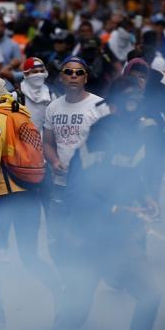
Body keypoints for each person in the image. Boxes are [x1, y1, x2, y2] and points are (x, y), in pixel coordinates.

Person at [26, 77, 165, 330]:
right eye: (129, 101)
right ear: (115, 107)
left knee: (148, 297)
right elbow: (80, 193)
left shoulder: (136, 135)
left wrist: (145, 198)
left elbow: (129, 177)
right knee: (76, 312)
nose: (136, 108)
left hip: (116, 237)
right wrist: (118, 208)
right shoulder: (104, 136)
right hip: (89, 238)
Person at [0, 77, 60, 329]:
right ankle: (62, 294)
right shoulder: (22, 115)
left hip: (3, 196)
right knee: (30, 257)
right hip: (29, 193)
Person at [42, 57, 109, 260]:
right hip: (60, 184)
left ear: (85, 78)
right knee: (57, 235)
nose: (73, 76)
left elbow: (109, 144)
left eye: (79, 72)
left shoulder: (99, 106)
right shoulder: (53, 107)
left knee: (87, 235)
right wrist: (54, 161)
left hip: (89, 186)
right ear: (61, 77)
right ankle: (64, 278)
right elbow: (47, 143)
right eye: (68, 72)